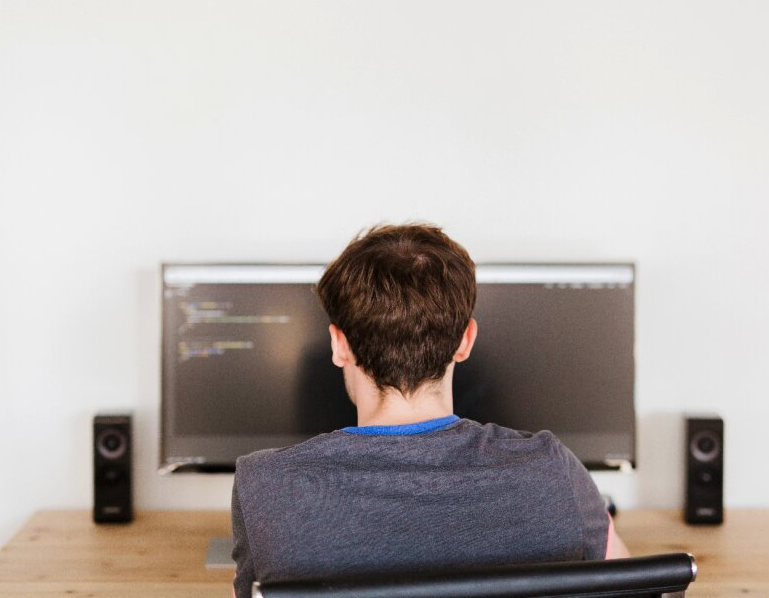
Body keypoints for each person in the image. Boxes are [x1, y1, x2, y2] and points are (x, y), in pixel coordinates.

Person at [230, 223, 628, 598]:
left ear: (339, 344)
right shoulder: (553, 469)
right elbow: (640, 585)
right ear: (465, 340)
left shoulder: (265, 485)